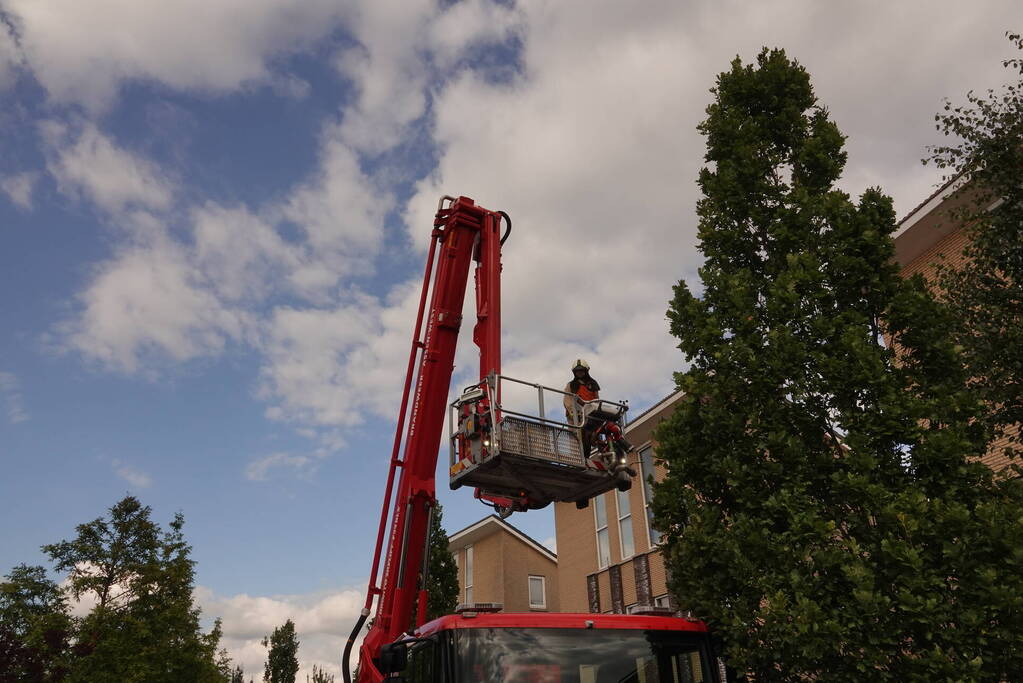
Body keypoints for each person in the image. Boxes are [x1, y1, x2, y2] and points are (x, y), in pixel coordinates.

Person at [564, 359, 600, 457]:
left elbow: (596, 399)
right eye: (577, 371)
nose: (579, 373)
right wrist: (573, 413)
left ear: (586, 371)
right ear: (574, 372)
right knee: (575, 438)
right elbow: (567, 400)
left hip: (590, 414)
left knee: (592, 435)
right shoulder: (571, 385)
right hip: (576, 416)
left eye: (581, 370)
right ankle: (576, 457)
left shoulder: (593, 384)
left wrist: (596, 411)